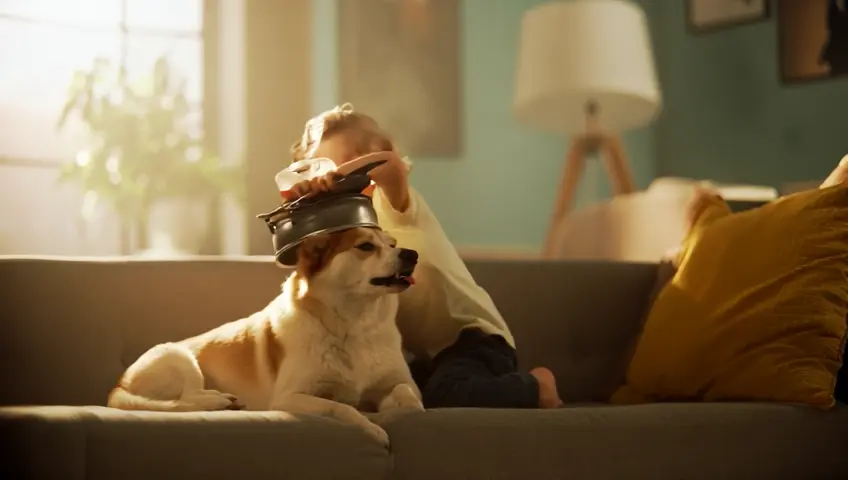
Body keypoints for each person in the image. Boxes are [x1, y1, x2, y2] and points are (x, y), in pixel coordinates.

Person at [285, 103, 563, 409]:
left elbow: (391, 167)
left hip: (472, 337)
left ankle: (537, 387)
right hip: (429, 355)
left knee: (446, 393)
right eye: (319, 171)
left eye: (344, 163)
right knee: (396, 391)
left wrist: (340, 175)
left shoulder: (394, 203)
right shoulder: (344, 233)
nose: (332, 179)